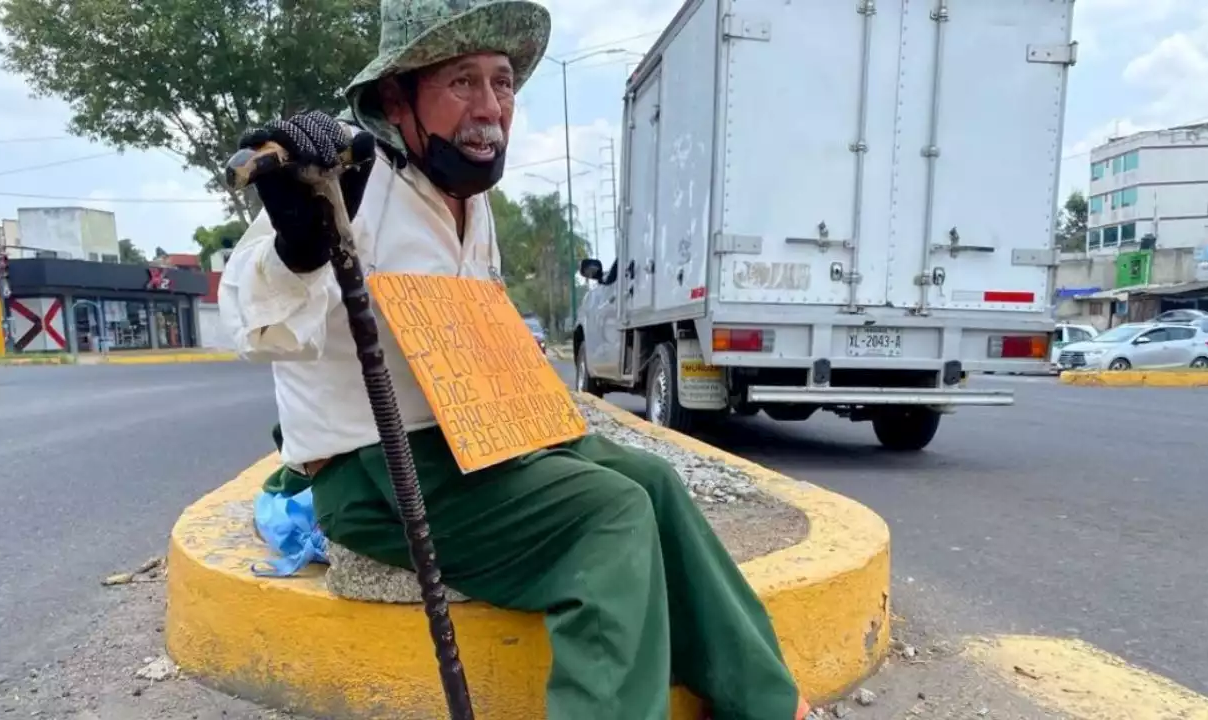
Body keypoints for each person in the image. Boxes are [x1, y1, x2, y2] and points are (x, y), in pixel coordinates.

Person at [220, 1, 810, 718]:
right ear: (397, 96)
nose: (491, 107)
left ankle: (763, 702)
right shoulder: (350, 180)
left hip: (483, 445)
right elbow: (251, 323)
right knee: (610, 514)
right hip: (380, 470)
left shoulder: (469, 202)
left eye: (501, 83)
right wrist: (299, 245)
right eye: (462, 81)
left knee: (651, 480)